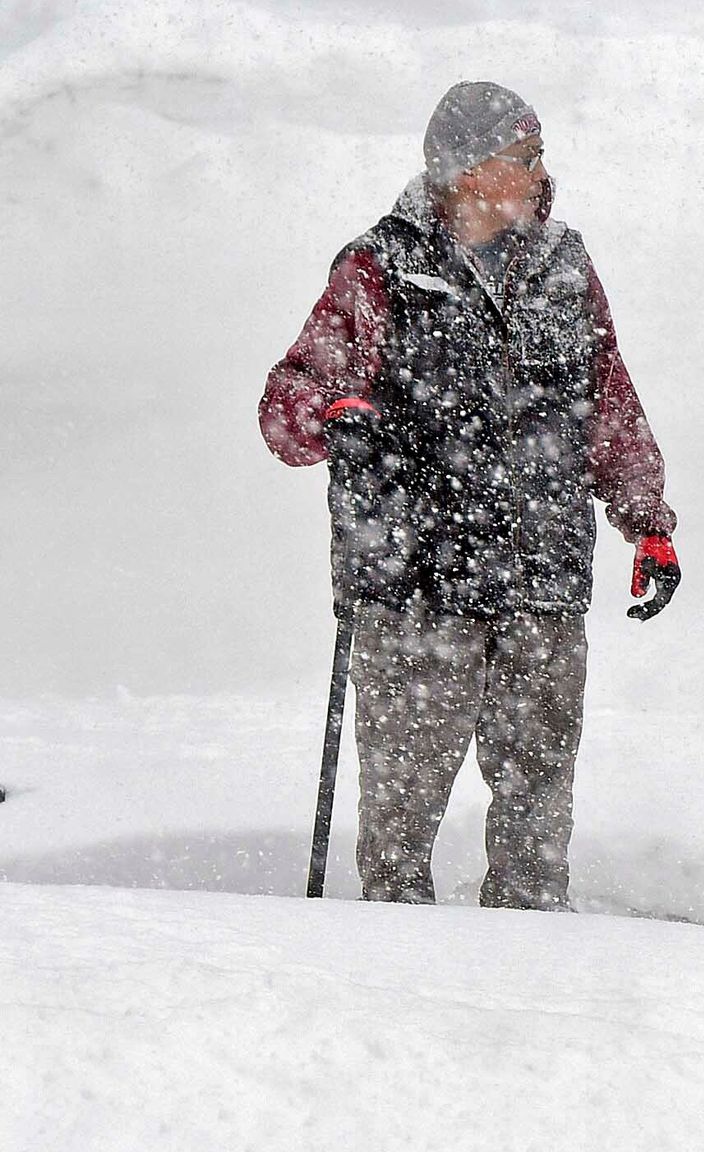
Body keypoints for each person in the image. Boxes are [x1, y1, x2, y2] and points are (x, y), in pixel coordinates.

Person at [259, 81, 680, 910]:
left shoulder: (566, 267)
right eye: (524, 155)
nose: (541, 171)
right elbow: (287, 404)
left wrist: (649, 526)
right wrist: (333, 414)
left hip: (541, 586)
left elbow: (609, 403)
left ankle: (527, 989)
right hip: (417, 588)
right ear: (469, 170)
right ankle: (397, 990)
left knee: (536, 834)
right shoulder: (381, 268)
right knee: (400, 835)